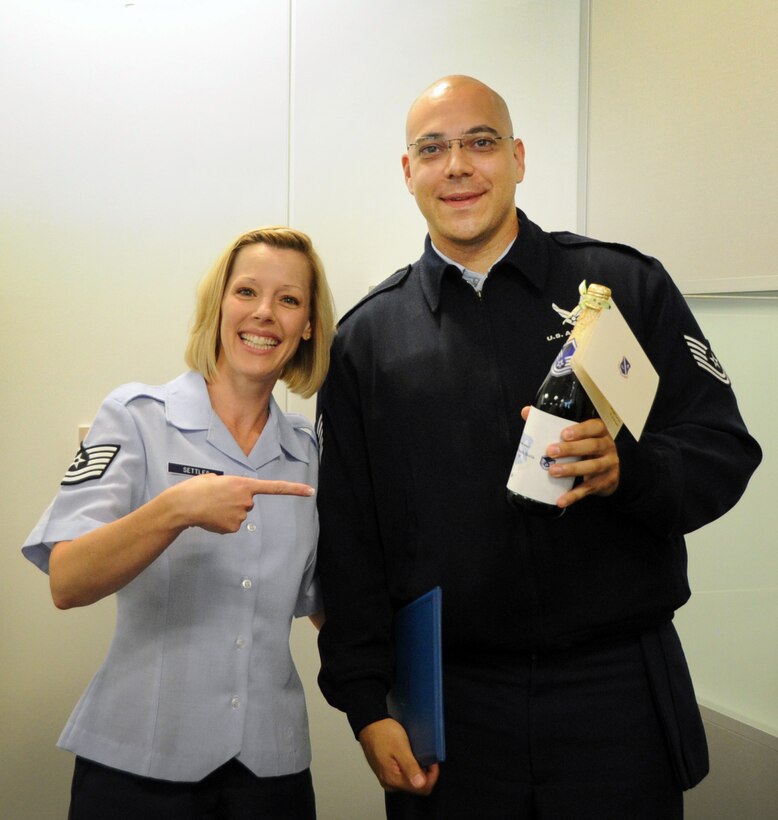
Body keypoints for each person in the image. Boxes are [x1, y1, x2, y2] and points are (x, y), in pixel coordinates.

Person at [314, 75, 762, 819]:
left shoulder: (624, 287)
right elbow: (350, 547)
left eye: (480, 142)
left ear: (518, 157)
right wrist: (365, 703)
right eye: (433, 149)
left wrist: (633, 470)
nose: (457, 166)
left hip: (615, 695)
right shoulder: (367, 340)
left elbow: (722, 450)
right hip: (450, 706)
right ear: (408, 173)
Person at [22, 226, 336, 819]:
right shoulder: (136, 418)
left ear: (309, 326)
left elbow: (323, 606)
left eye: (289, 300)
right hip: (138, 769)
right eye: (247, 291)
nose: (265, 313)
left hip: (270, 774)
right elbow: (67, 580)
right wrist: (177, 509)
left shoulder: (309, 453)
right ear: (219, 305)